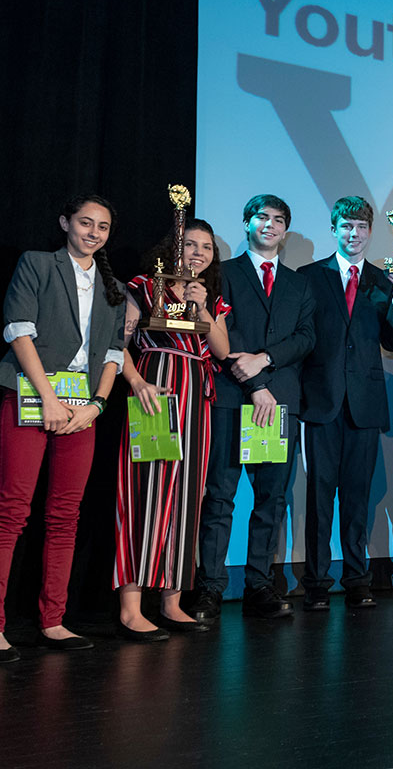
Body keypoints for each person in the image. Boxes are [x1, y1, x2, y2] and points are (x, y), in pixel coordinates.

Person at [0, 195, 127, 662]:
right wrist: (48, 398)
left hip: (82, 411)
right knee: (11, 512)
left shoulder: (112, 285)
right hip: (31, 397)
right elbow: (19, 330)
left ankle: (53, 621)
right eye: (85, 222)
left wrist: (97, 406)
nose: (93, 232)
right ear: (65, 223)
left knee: (65, 517)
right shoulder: (38, 264)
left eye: (102, 226)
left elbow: (114, 355)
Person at [191, 194, 316, 621]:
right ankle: (208, 588)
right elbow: (217, 335)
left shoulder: (300, 284)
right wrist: (255, 382)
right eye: (261, 217)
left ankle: (259, 585)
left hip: (279, 403)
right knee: (220, 497)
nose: (270, 225)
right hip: (229, 398)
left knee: (272, 499)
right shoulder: (221, 274)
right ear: (246, 222)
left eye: (279, 219)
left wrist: (265, 362)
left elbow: (305, 338)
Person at [114, 220, 231, 640]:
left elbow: (221, 350)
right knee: (145, 493)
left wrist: (201, 306)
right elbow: (119, 342)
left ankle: (171, 601)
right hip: (156, 389)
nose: (198, 253)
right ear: (173, 247)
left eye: (206, 247)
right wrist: (136, 382)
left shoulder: (210, 298)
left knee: (187, 498)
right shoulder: (147, 286)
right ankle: (131, 607)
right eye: (190, 245)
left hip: (196, 397)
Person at [297, 196, 393, 610]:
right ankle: (315, 583)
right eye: (347, 227)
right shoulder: (309, 277)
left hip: (364, 405)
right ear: (335, 229)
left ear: (370, 232)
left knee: (358, 497)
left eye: (362, 227)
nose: (354, 234)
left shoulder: (386, 282)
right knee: (318, 498)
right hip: (320, 403)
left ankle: (357, 579)